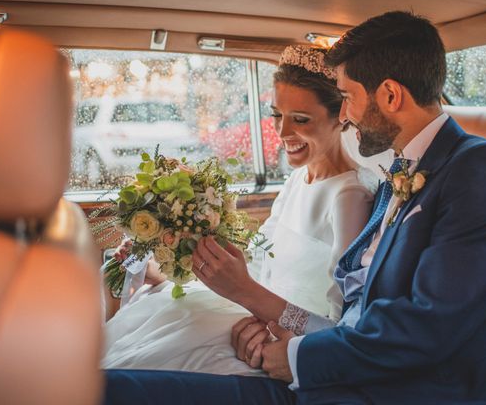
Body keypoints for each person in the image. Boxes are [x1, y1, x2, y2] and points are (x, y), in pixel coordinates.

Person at [105, 11, 486, 404]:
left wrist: (298, 357)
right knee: (102, 388)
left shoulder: (482, 170)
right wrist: (278, 332)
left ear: (390, 95)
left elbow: (429, 327)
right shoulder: (398, 176)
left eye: (348, 97)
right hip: (350, 377)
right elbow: (354, 317)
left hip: (422, 391)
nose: (346, 116)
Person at [102, 45, 376, 374]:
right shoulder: (297, 179)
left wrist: (264, 317)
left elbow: (338, 328)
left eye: (300, 120)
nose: (283, 132)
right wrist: (169, 271)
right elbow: (260, 268)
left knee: (145, 361)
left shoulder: (350, 197)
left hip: (280, 339)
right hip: (248, 312)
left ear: (340, 117)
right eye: (277, 115)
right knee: (149, 323)